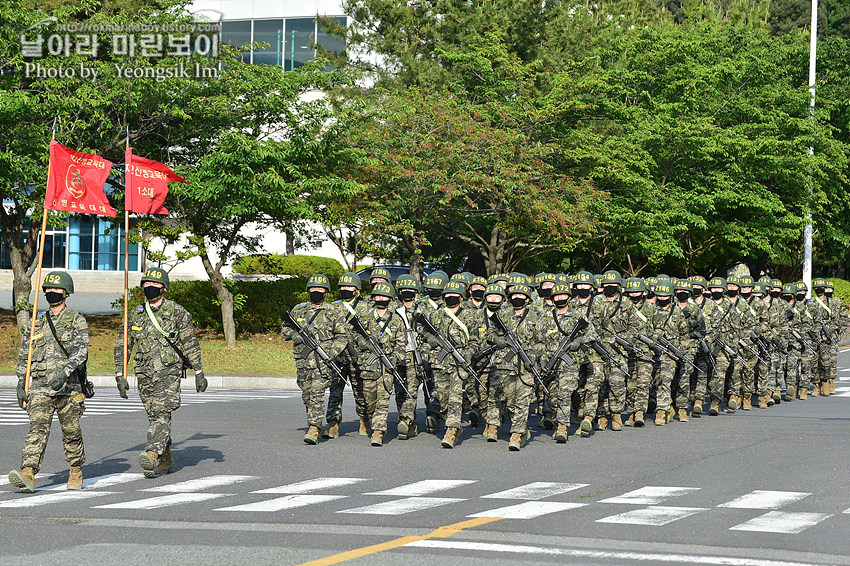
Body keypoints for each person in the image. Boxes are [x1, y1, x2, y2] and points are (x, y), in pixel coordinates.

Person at [115, 267, 206, 477]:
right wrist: (120, 375)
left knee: (161, 413)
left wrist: (199, 372)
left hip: (168, 372)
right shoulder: (135, 314)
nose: (149, 288)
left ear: (163, 288)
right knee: (154, 416)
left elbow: (190, 343)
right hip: (145, 373)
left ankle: (152, 453)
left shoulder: (177, 312)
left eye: (154, 285)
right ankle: (165, 456)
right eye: (146, 284)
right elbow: (123, 345)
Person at [9, 271, 88, 493]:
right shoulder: (37, 321)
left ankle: (75, 469)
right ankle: (28, 472)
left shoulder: (76, 319)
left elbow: (81, 351)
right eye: (48, 289)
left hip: (68, 388)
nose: (51, 292)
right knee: (37, 430)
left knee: (71, 431)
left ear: (66, 292)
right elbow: (26, 353)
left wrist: (65, 372)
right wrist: (21, 382)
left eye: (56, 289)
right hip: (40, 387)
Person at [281, 273, 348, 444]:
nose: (315, 291)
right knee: (306, 394)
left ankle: (314, 427)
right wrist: (296, 336)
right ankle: (314, 423)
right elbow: (285, 331)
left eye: (319, 289)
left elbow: (342, 336)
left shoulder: (333, 311)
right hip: (303, 360)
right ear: (308, 290)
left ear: (326, 292)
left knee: (317, 392)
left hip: (323, 361)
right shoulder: (299, 310)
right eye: (313, 288)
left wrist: (331, 353)